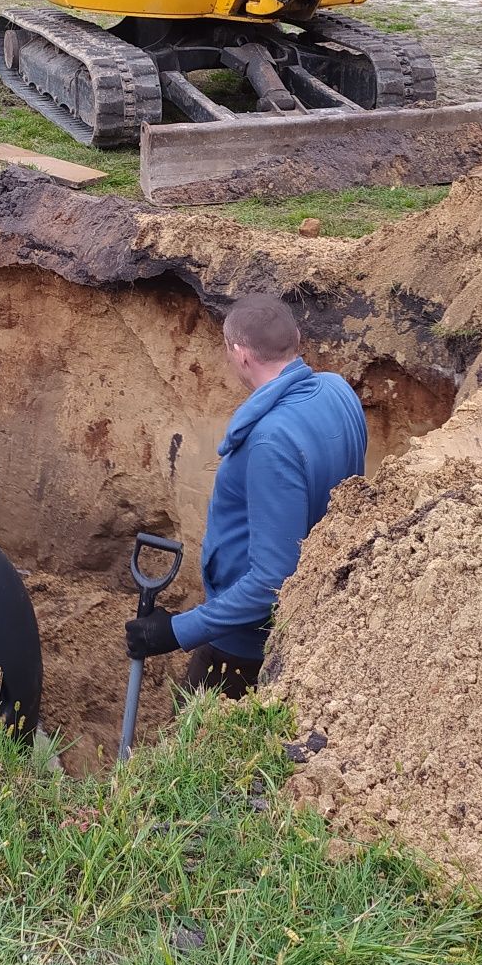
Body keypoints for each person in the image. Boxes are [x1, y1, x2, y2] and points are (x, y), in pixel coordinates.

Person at [124, 294, 367, 694]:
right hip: (317, 611)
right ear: (297, 338)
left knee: (192, 737)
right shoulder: (337, 391)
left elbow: (272, 579)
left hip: (247, 643)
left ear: (239, 354)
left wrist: (177, 631)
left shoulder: (269, 443)